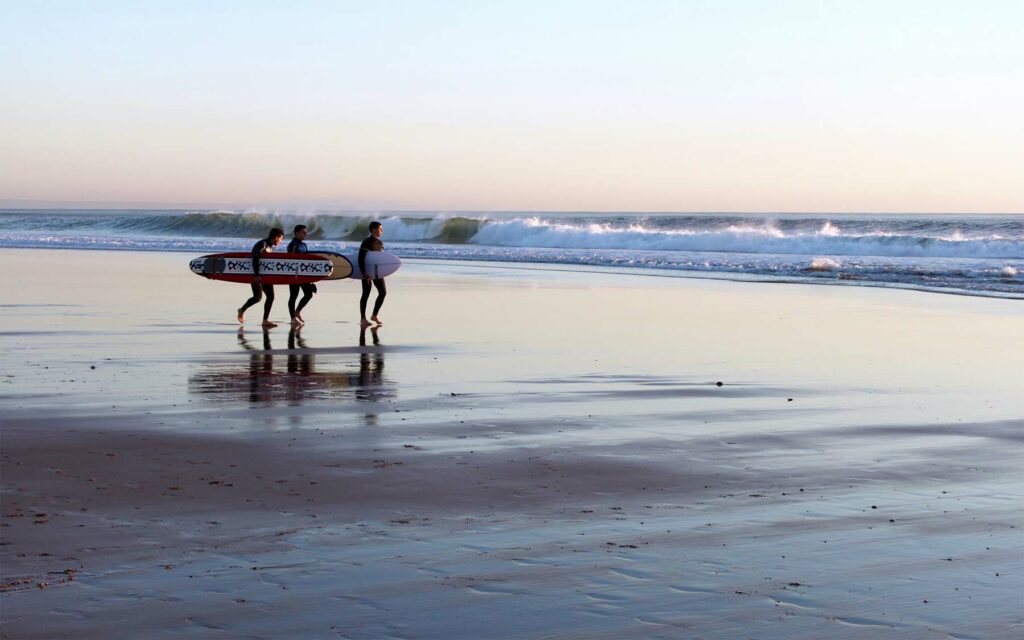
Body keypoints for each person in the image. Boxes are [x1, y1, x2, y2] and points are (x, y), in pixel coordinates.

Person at [237, 227, 284, 327]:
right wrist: (257, 275)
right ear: (276, 237)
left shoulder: (270, 247)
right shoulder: (262, 244)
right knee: (257, 298)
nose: (281, 241)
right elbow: (255, 257)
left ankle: (265, 320)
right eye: (281, 239)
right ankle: (242, 310)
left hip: (265, 276)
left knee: (271, 296)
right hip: (256, 274)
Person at [286, 224, 317, 325]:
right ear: (297, 233)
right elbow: (290, 260)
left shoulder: (303, 245)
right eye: (304, 232)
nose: (306, 234)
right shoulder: (293, 245)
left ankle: (297, 311)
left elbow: (307, 260)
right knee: (293, 296)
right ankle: (292, 318)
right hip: (294, 275)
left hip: (303, 274)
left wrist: (311, 279)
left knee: (308, 294)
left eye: (306, 232)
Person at [359, 221, 386, 328]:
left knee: (383, 292)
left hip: (377, 272)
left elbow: (381, 259)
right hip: (367, 272)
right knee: (366, 294)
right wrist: (364, 272)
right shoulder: (366, 242)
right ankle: (363, 318)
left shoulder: (380, 243)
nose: (381, 231)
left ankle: (374, 315)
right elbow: (361, 258)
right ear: (374, 229)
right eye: (380, 229)